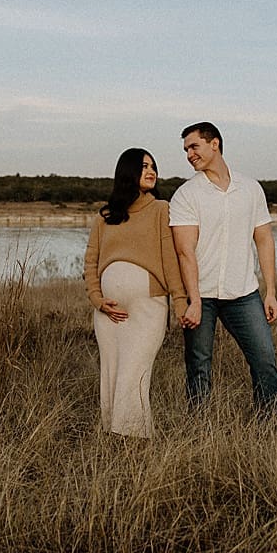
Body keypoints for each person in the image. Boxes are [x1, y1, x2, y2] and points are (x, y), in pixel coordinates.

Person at [168, 124, 277, 414]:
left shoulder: (251, 189)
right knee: (198, 367)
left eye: (194, 147)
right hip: (201, 296)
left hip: (243, 293)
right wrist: (193, 300)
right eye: (186, 150)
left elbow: (264, 240)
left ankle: (267, 425)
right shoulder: (186, 195)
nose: (189, 155)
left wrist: (270, 293)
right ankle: (200, 432)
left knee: (264, 359)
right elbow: (184, 251)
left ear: (214, 143)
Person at [83, 149, 186, 438]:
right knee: (112, 375)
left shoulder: (160, 209)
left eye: (153, 166)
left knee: (134, 374)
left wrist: (180, 301)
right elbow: (91, 261)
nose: (151, 171)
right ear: (128, 172)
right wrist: (97, 300)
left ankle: (137, 442)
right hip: (107, 312)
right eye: (144, 167)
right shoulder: (105, 216)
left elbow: (170, 259)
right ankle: (114, 440)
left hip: (147, 308)